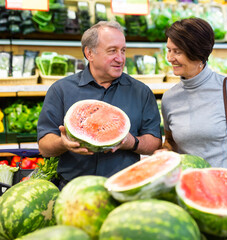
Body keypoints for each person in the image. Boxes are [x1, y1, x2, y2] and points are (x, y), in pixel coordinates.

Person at [37, 21, 162, 188]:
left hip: (124, 188)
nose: (120, 58)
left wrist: (131, 142)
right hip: (73, 190)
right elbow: (44, 146)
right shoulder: (61, 90)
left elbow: (154, 142)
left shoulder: (141, 92)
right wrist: (64, 143)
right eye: (112, 51)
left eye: (123, 50)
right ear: (90, 53)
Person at [161, 18, 227, 185]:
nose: (170, 58)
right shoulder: (169, 98)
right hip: (191, 188)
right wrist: (163, 152)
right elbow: (171, 142)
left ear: (198, 54)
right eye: (168, 50)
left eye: (177, 52)